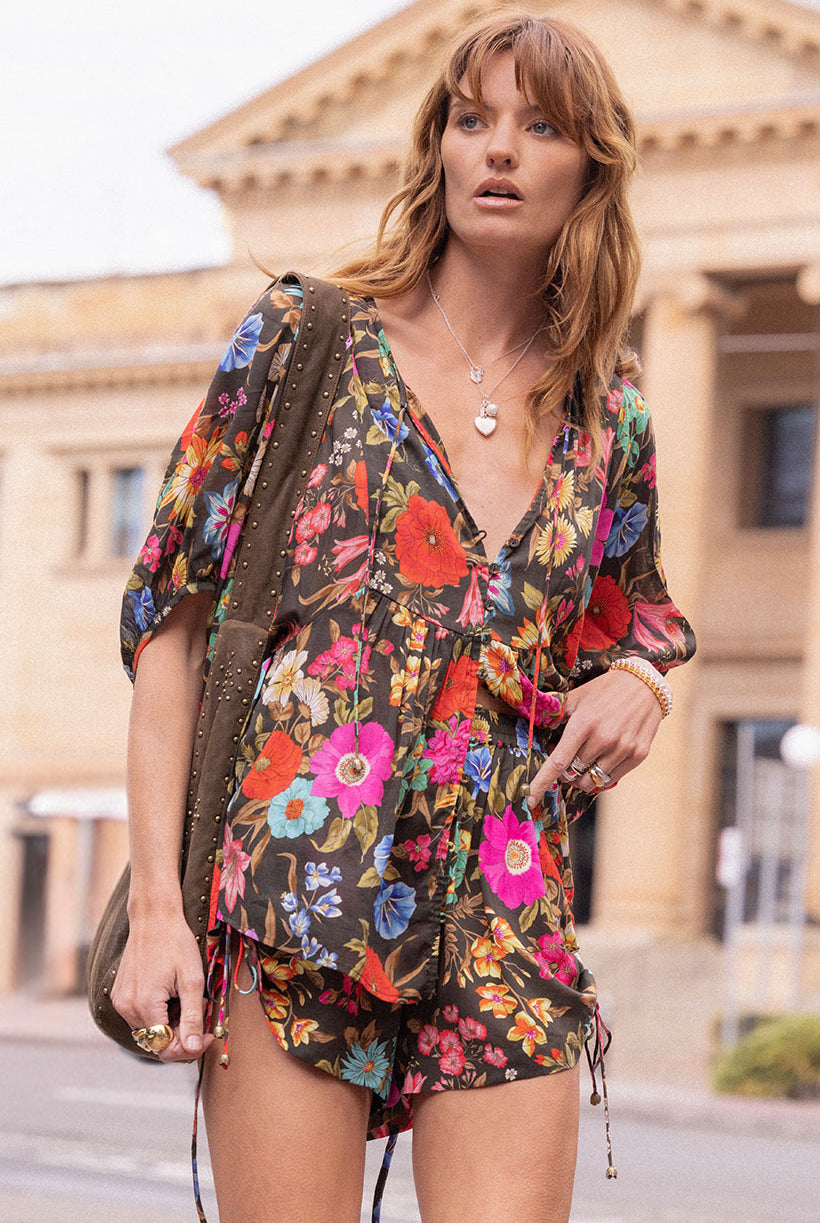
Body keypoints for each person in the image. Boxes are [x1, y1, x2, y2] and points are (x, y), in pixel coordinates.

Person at [112, 13, 695, 1223]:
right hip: (295, 879)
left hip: (504, 891)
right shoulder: (305, 338)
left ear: (590, 164)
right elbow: (171, 621)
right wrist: (159, 912)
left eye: (539, 127)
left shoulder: (609, 412)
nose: (499, 151)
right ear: (436, 147)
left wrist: (643, 680)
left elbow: (636, 618)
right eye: (472, 119)